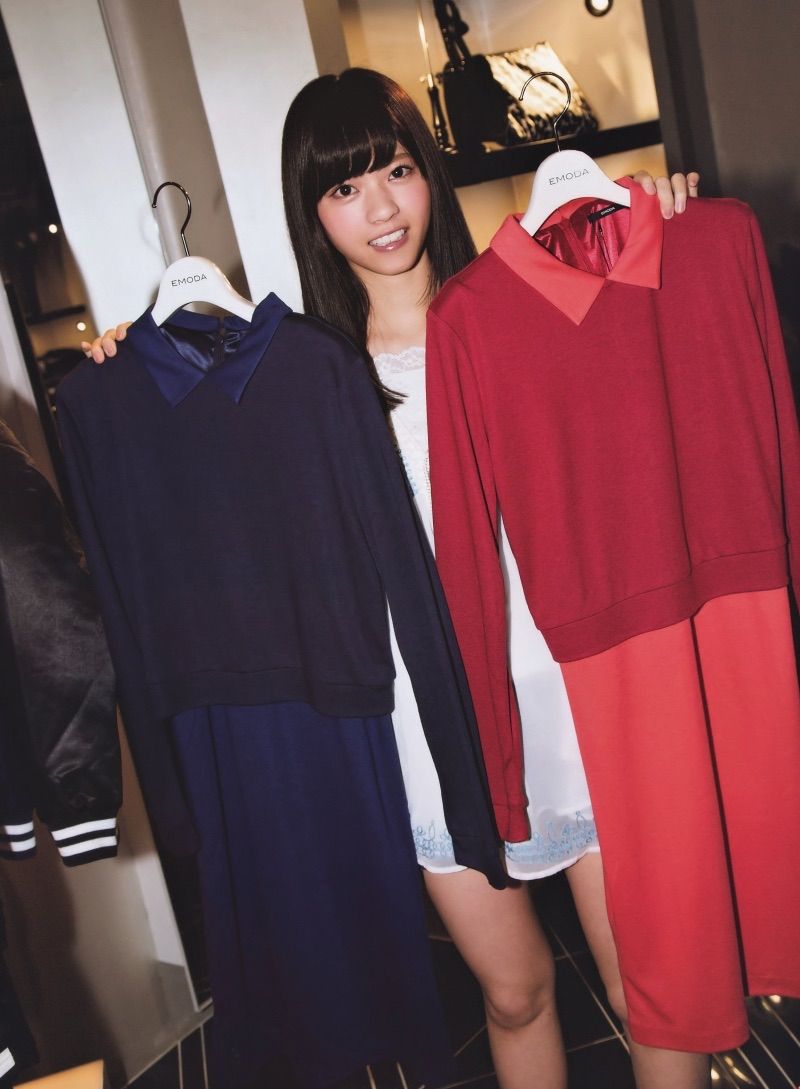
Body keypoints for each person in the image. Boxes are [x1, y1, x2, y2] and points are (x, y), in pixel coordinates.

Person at [83, 69, 703, 1089]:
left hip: (570, 691)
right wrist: (126, 361)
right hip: (424, 725)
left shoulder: (525, 299)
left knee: (649, 981)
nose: (379, 209)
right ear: (312, 213)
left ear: (431, 176)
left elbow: (635, 347)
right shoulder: (305, 374)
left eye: (397, 171)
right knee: (513, 991)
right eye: (343, 188)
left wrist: (656, 219)